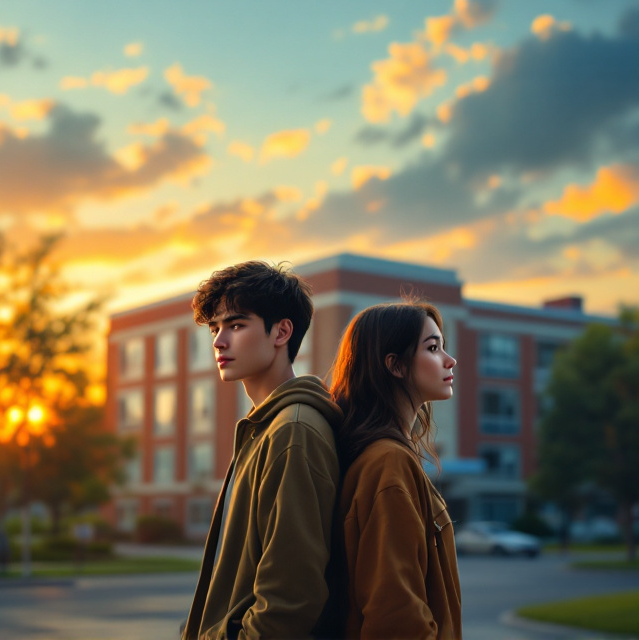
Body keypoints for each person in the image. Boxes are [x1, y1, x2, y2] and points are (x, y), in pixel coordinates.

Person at [181, 261, 342, 640]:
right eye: (215, 328)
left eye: (236, 325)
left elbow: (290, 598)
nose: (219, 341)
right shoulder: (264, 427)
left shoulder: (293, 432)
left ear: (282, 331)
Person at [330, 301, 462, 640]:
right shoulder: (388, 461)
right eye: (433, 348)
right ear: (395, 365)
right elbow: (396, 613)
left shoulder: (384, 455)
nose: (450, 360)